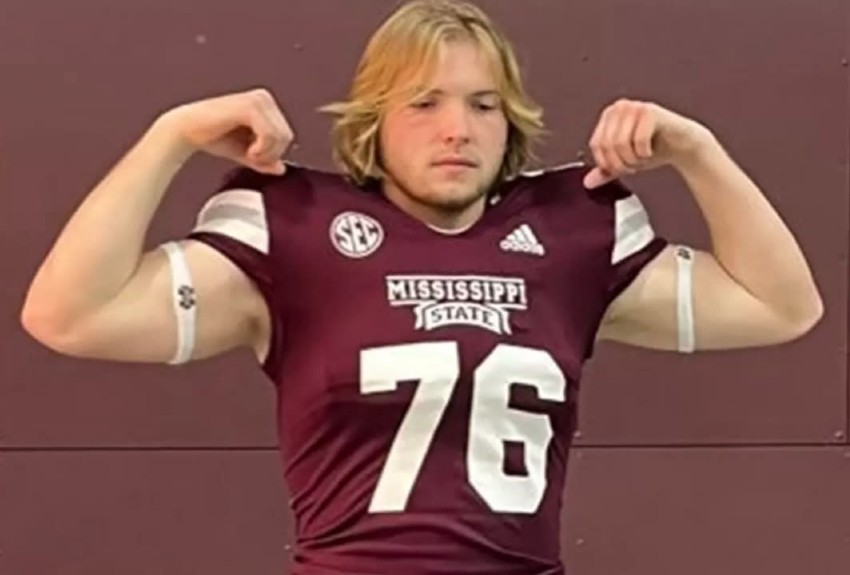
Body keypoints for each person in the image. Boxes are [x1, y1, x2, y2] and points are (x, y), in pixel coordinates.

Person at [20, 0, 823, 573]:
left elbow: (781, 305)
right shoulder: (295, 229)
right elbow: (69, 314)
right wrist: (168, 138)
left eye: (483, 105)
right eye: (424, 102)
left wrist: (699, 153)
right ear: (374, 118)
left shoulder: (570, 233)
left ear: (510, 121)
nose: (456, 129)